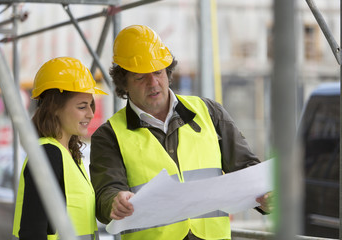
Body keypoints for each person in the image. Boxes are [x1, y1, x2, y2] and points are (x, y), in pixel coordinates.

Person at [90, 25, 272, 240]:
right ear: (124, 84)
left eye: (158, 72)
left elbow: (246, 169)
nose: (153, 82)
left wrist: (266, 198)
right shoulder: (109, 135)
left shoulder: (209, 112)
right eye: (140, 77)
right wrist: (114, 201)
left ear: (168, 72)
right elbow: (106, 194)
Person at [12, 57, 107, 240]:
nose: (90, 113)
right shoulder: (49, 155)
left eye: (90, 105)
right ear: (55, 108)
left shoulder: (69, 156)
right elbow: (32, 232)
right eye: (82, 106)